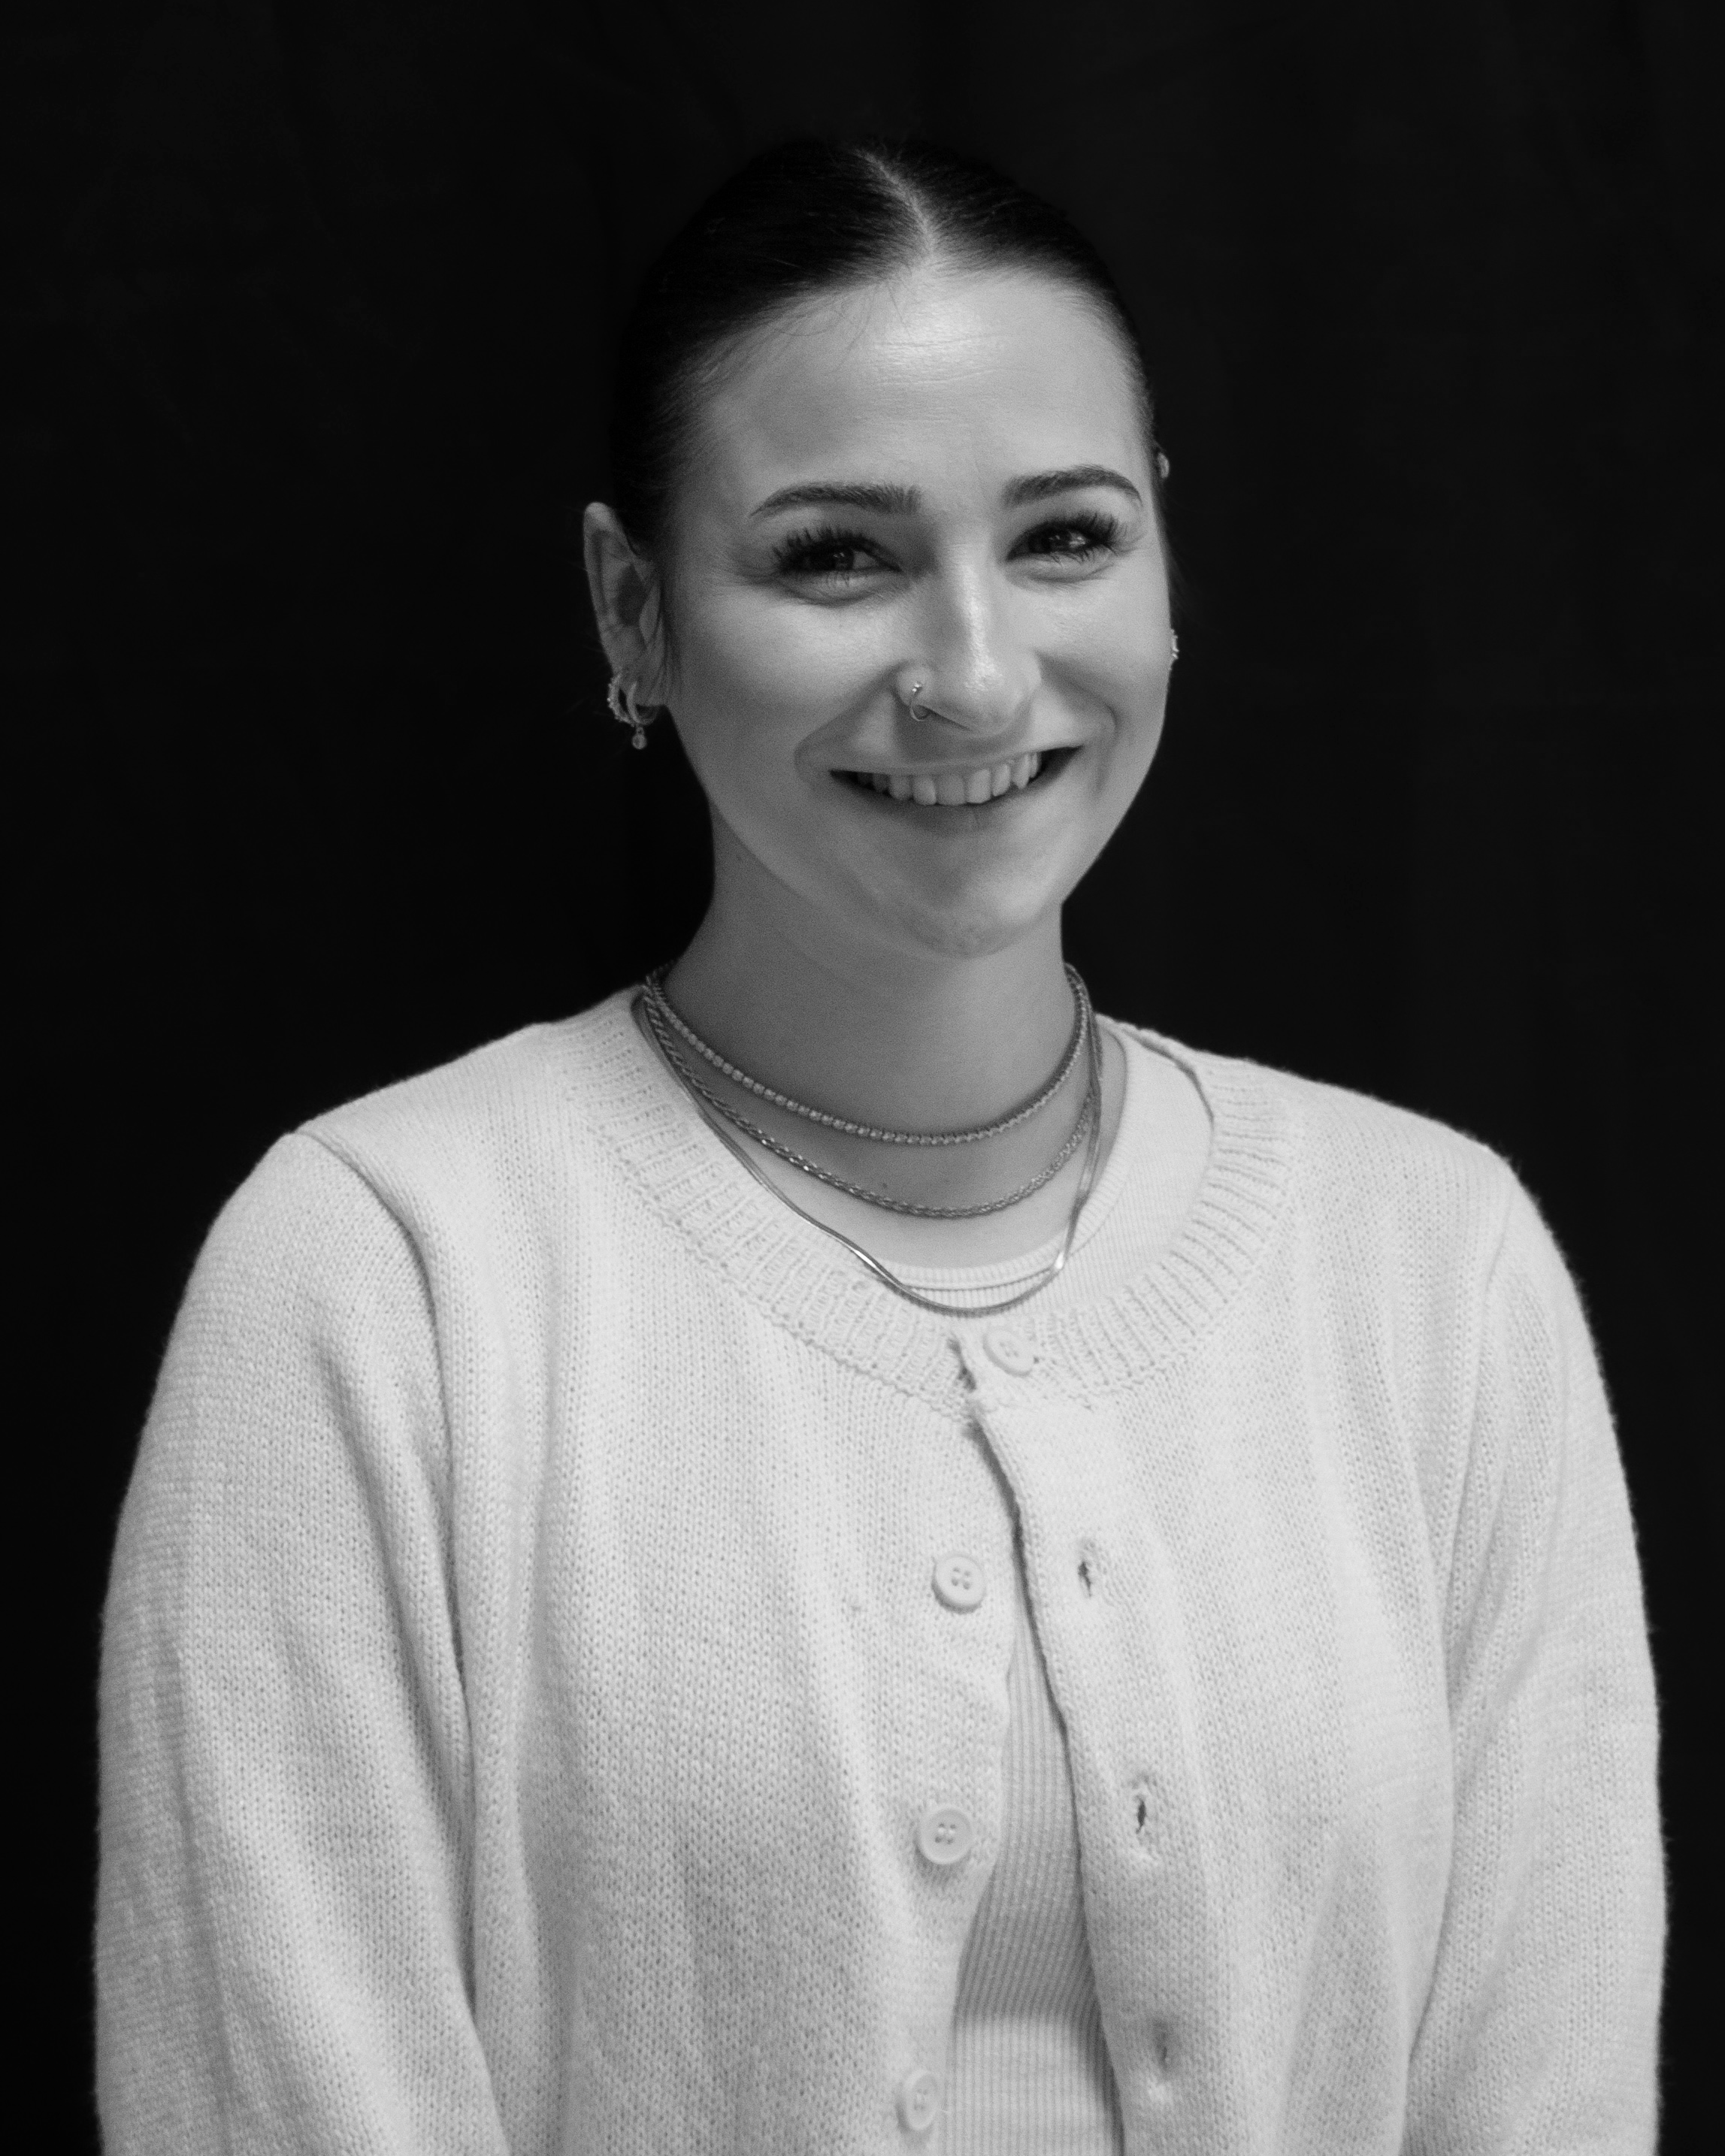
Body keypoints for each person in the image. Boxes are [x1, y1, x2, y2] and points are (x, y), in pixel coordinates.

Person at [97, 140, 1663, 2154]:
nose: (978, 672)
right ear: (633, 610)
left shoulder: (1430, 1263)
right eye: (837, 554)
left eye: (1064, 537)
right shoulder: (380, 1273)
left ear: (1165, 555)